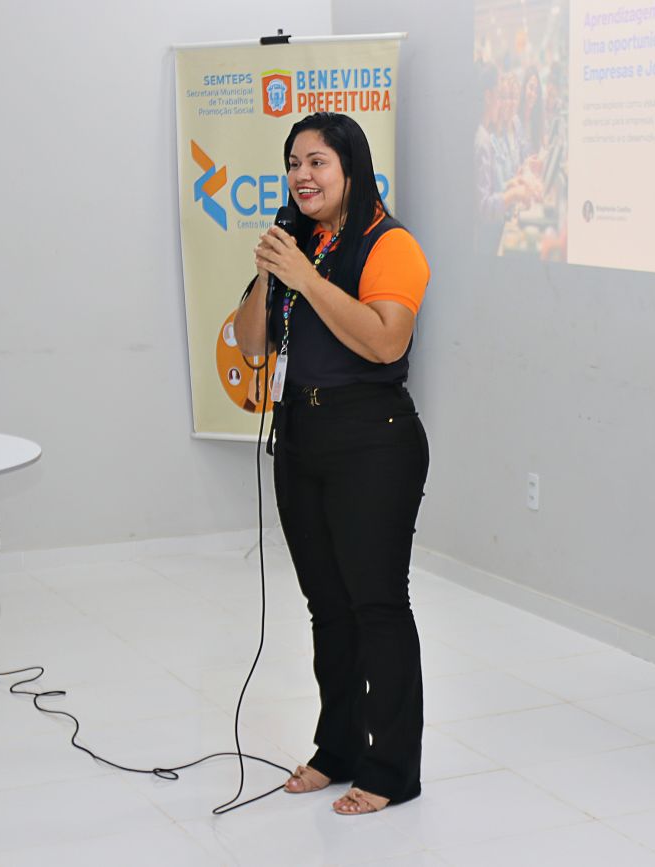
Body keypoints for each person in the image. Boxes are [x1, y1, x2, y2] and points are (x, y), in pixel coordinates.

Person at [233, 112, 431, 816]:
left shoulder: (390, 243)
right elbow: (251, 344)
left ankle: (392, 768)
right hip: (302, 436)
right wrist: (270, 275)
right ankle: (339, 747)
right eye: (293, 163)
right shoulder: (298, 243)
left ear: (351, 168)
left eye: (317, 162)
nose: (302, 176)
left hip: (372, 440)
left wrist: (306, 279)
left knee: (377, 604)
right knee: (328, 608)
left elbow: (384, 341)